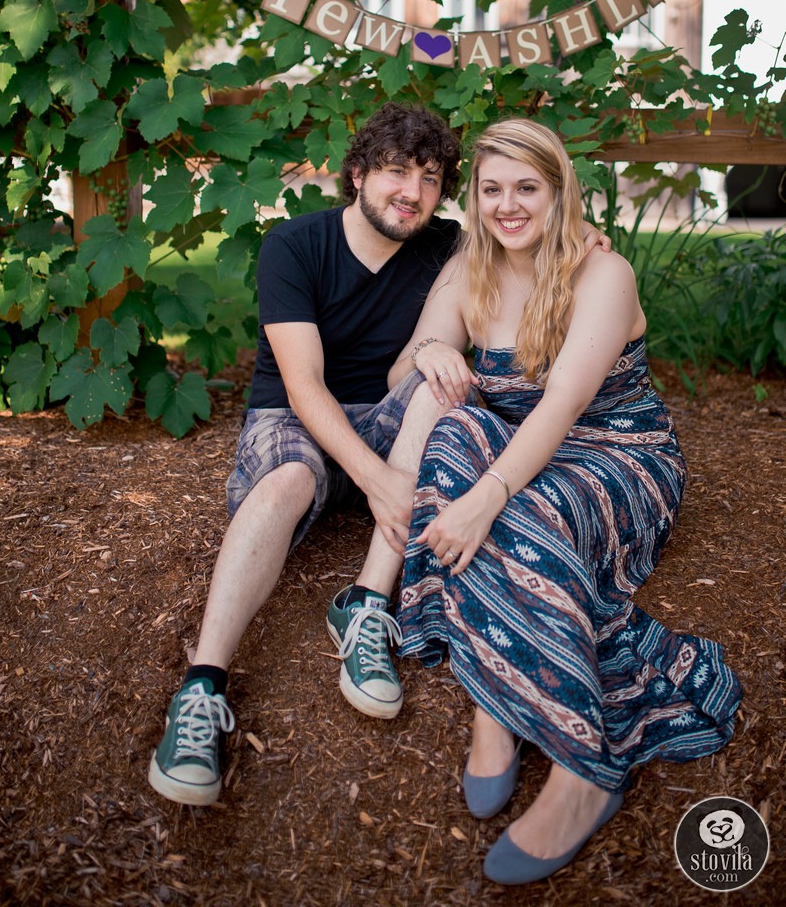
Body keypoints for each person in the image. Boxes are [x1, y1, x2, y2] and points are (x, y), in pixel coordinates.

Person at [392, 118, 742, 886]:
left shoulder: (600, 274)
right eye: (491, 189)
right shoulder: (467, 271)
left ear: (558, 193)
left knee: (522, 510)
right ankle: (501, 695)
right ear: (474, 197)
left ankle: (584, 770)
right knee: (451, 434)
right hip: (524, 462)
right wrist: (432, 349)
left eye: (527, 188)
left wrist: (486, 500)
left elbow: (557, 412)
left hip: (618, 456)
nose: (508, 206)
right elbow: (399, 386)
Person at [148, 101, 468, 806]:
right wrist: (383, 482)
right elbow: (302, 385)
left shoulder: (448, 248)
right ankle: (201, 690)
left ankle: (364, 607)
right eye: (393, 171)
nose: (410, 191)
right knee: (289, 478)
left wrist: (588, 242)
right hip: (296, 415)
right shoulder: (295, 246)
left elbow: (538, 242)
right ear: (356, 175)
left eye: (429, 176)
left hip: (388, 417)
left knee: (442, 387)